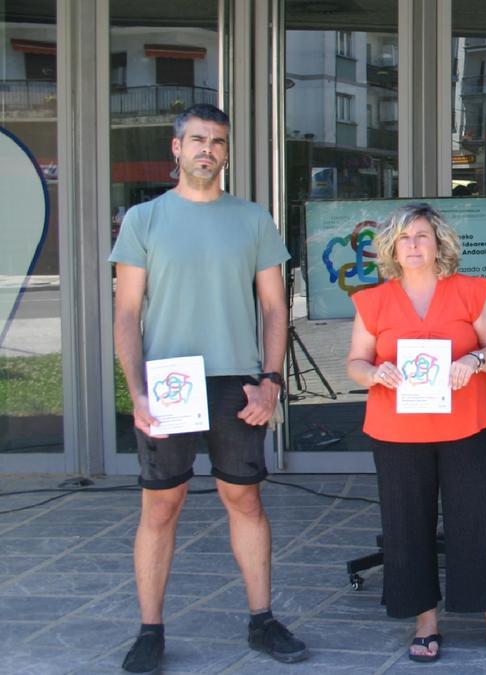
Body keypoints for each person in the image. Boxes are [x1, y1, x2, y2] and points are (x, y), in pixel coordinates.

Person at [110, 104, 308, 673]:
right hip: (169, 379)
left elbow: (274, 308)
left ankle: (262, 619)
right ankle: (150, 630)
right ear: (176, 149)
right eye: (196, 140)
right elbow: (126, 314)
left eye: (217, 142)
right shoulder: (144, 220)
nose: (207, 150)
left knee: (244, 498)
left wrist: (270, 382)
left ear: (226, 151)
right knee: (161, 505)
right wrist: (137, 392)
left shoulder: (252, 219)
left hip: (235, 381)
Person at [345, 203, 486, 663]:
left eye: (422, 235)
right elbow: (356, 362)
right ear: (391, 248)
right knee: (406, 527)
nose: (414, 245)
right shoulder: (372, 301)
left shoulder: (469, 291)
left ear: (439, 242)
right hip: (396, 431)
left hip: (467, 425)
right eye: (404, 238)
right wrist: (374, 374)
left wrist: (474, 360)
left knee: (481, 520)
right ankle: (425, 623)